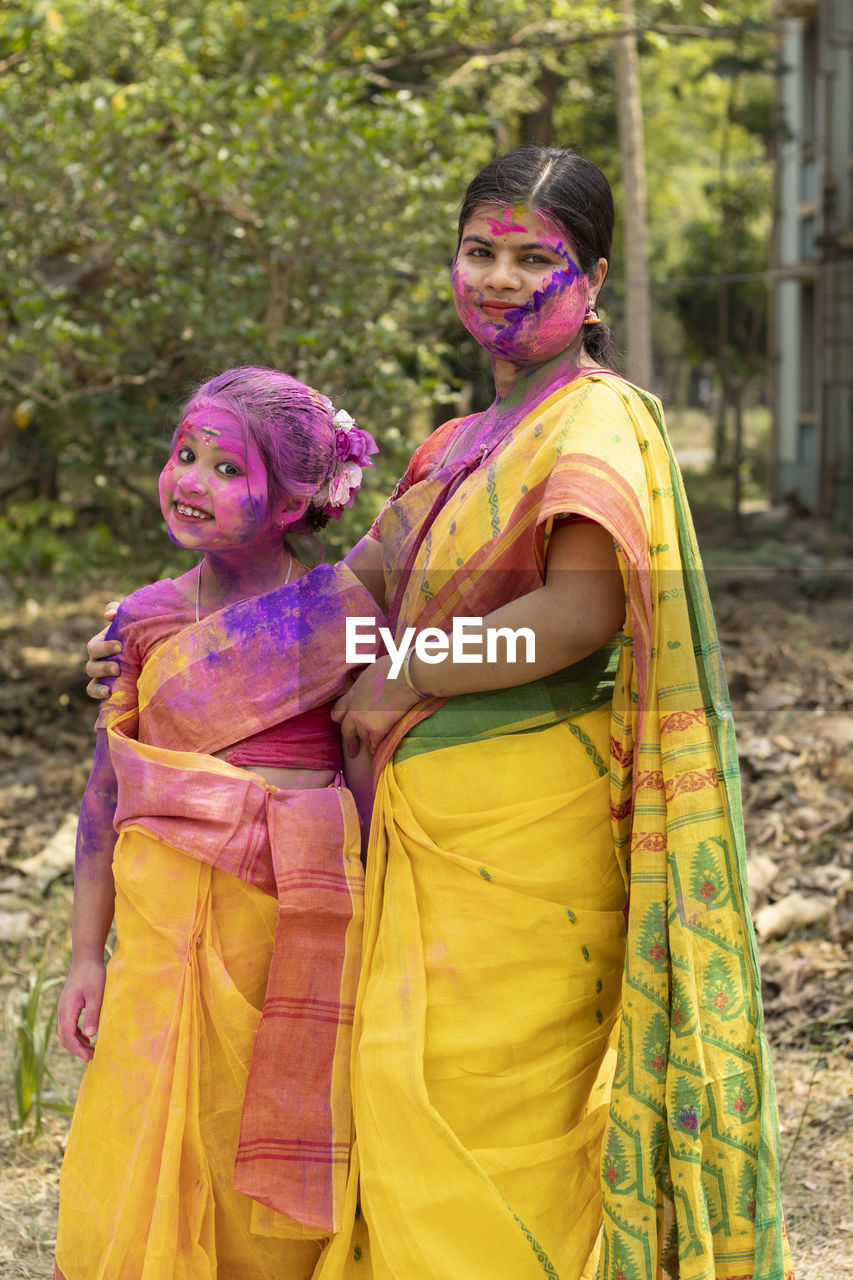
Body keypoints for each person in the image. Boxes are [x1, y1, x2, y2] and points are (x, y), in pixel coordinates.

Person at [86, 150, 793, 1280]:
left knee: (490, 1122)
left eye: (534, 258)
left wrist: (416, 670)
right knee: (397, 1104)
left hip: (527, 843)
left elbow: (575, 614)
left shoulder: (596, 424)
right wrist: (165, 647)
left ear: (595, 281)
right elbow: (342, 601)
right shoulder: (454, 447)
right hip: (412, 845)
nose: (502, 279)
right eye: (480, 252)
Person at [56, 367, 383, 1280]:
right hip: (163, 930)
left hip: (293, 925)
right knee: (157, 1125)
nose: (190, 481)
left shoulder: (342, 616)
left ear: (292, 502)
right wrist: (88, 955)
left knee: (266, 1127)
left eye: (226, 469)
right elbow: (103, 793)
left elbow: (366, 769)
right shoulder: (144, 619)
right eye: (183, 454)